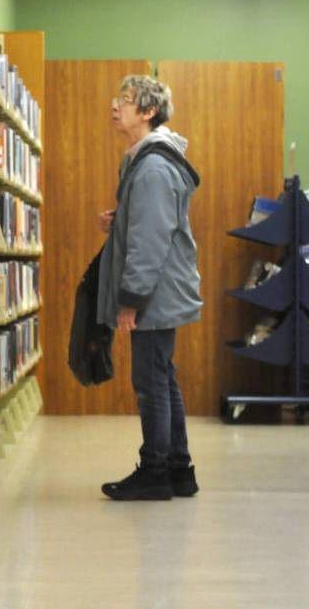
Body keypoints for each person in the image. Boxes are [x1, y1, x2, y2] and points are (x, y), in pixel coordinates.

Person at [98, 75, 203, 501]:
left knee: (150, 382)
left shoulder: (155, 166)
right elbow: (144, 222)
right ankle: (179, 470)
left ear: (148, 112)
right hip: (161, 288)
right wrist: (119, 219)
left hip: (155, 292)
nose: (115, 107)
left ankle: (157, 471)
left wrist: (132, 301)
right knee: (161, 378)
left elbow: (151, 239)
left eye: (125, 101)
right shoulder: (144, 160)